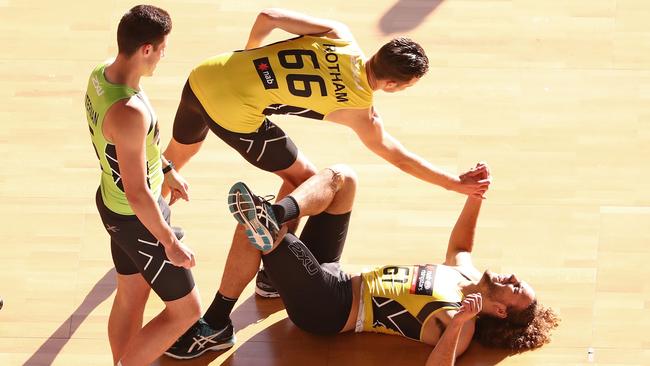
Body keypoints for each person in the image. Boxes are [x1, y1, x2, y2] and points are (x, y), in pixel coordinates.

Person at [163, 8, 490, 358]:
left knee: (173, 160)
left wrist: (248, 58)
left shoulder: (339, 34)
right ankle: (249, 287)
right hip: (233, 112)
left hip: (208, 73)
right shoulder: (361, 109)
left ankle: (154, 223)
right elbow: (400, 158)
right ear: (392, 84)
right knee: (303, 179)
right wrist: (454, 184)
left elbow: (267, 16)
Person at [222, 163, 559, 365]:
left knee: (271, 233)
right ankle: (272, 271)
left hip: (328, 308)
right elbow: (460, 245)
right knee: (345, 180)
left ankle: (262, 244)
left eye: (516, 288)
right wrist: (475, 196)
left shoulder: (462, 323)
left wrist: (458, 324)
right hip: (335, 274)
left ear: (501, 311)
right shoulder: (465, 272)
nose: (513, 277)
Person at [83, 5, 222, 365]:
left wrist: (167, 168)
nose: (164, 55)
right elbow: (138, 192)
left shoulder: (102, 75)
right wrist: (170, 242)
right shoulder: (129, 111)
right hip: (136, 217)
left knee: (131, 294)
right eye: (162, 48)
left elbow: (132, 148)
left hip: (113, 205)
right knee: (186, 311)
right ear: (146, 48)